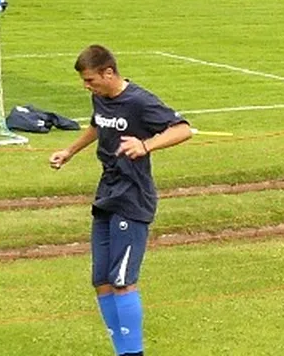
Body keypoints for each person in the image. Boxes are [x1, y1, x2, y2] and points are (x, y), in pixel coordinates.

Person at [49, 46, 194, 356]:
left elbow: (183, 130)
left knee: (122, 281)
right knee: (101, 280)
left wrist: (146, 144)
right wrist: (70, 151)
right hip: (107, 192)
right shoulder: (100, 97)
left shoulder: (140, 101)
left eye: (90, 80)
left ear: (109, 73)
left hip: (133, 196)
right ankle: (122, 351)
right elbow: (96, 125)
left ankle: (133, 353)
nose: (86, 86)